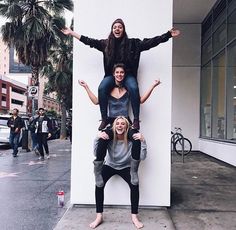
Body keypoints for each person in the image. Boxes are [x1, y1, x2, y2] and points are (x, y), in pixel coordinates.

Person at [62, 18, 180, 130]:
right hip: (111, 75)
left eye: (120, 27)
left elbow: (151, 42)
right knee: (102, 88)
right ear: (112, 30)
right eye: (115, 27)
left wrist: (168, 35)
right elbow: (89, 41)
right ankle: (104, 119)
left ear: (123, 30)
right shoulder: (106, 44)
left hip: (128, 75)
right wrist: (72, 33)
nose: (117, 29)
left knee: (134, 88)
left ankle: (136, 120)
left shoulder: (133, 43)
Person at [79, 63, 160, 186]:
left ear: (124, 74)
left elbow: (141, 100)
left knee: (136, 138)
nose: (119, 74)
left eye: (122, 72)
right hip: (111, 123)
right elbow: (96, 101)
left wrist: (153, 86)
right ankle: (97, 170)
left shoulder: (128, 90)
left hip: (126, 122)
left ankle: (133, 170)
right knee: (102, 138)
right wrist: (86, 87)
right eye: (117, 72)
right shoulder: (107, 90)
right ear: (113, 74)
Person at [90, 116, 147, 229]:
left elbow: (143, 157)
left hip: (126, 167)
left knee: (134, 185)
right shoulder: (109, 138)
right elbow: (96, 153)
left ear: (127, 127)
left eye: (122, 124)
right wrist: (97, 138)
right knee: (99, 184)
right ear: (114, 126)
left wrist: (143, 140)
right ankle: (99, 216)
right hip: (110, 165)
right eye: (117, 124)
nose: (120, 126)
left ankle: (134, 217)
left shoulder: (132, 139)